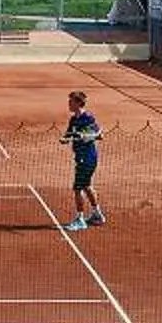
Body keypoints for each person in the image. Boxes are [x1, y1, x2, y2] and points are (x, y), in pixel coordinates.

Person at [60, 90, 105, 230]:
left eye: (71, 101)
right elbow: (69, 135)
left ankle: (80, 220)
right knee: (87, 186)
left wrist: (86, 136)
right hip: (81, 157)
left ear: (79, 103)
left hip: (87, 158)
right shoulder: (74, 119)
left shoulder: (88, 118)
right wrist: (65, 139)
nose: (69, 104)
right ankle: (97, 214)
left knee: (78, 188)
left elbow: (99, 135)